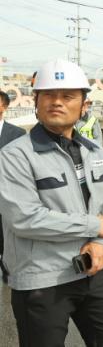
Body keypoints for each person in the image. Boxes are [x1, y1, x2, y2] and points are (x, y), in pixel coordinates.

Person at [0, 60, 103, 346]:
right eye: (49, 95)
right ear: (36, 102)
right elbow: (25, 218)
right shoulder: (15, 155)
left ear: (83, 105)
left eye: (67, 96)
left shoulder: (93, 150)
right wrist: (95, 226)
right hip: (42, 278)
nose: (57, 102)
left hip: (94, 268)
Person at [0, 90, 27, 284]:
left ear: (4, 107)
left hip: (7, 191)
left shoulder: (17, 134)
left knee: (6, 231)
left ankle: (7, 265)